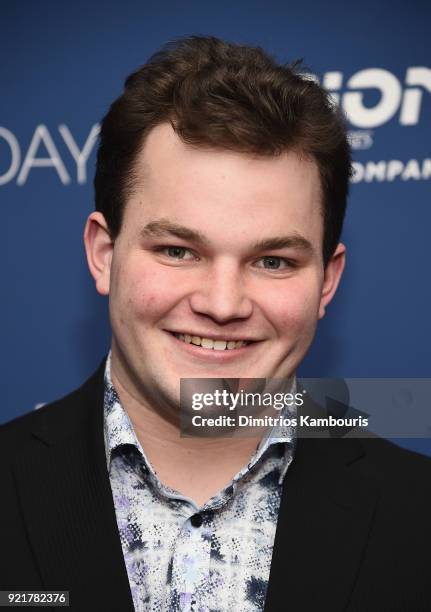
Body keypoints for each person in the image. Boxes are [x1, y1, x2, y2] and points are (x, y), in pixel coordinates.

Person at [1, 36, 430, 612]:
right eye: (179, 251)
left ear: (327, 281)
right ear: (104, 254)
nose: (224, 304)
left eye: (273, 261)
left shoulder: (418, 515)